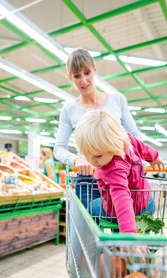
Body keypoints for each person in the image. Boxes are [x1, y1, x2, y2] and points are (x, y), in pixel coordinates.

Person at [53, 48, 142, 207]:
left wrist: (136, 160)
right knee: (89, 229)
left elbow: (135, 137)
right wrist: (77, 159)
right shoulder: (69, 109)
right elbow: (58, 148)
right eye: (77, 76)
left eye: (87, 72)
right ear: (70, 77)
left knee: (121, 227)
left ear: (95, 70)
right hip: (88, 179)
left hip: (119, 176)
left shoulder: (117, 100)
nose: (83, 80)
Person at [74, 109, 165, 235]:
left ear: (113, 146)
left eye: (98, 156)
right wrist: (154, 157)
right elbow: (143, 148)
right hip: (146, 202)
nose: (92, 162)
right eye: (86, 155)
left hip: (128, 210)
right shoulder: (126, 139)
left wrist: (129, 233)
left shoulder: (112, 169)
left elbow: (121, 197)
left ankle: (96, 244)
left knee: (90, 208)